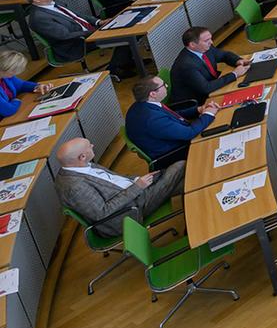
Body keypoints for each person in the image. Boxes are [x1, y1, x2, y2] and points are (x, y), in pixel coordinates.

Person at [54, 136, 186, 237]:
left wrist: (136, 180)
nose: (92, 146)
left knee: (183, 182)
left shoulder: (80, 165)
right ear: (82, 156)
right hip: (130, 211)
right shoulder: (74, 188)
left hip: (134, 191)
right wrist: (137, 187)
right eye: (89, 146)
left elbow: (114, 179)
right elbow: (102, 212)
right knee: (179, 166)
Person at [27, 0, 135, 77]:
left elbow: (77, 15)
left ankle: (126, 63)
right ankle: (115, 69)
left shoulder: (54, 2)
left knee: (129, 27)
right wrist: (95, 32)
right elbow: (65, 36)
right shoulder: (39, 18)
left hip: (88, 32)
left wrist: (99, 22)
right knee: (125, 36)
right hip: (75, 44)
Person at [125, 75, 212, 169]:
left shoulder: (142, 104)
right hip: (175, 153)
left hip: (172, 139)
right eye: (163, 85)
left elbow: (171, 115)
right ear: (153, 94)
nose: (166, 86)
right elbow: (189, 133)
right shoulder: (152, 119)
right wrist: (208, 114)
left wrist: (197, 110)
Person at [168, 26, 248, 111]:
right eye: (206, 40)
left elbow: (224, 55)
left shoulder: (204, 48)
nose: (211, 42)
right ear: (192, 45)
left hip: (212, 87)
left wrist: (238, 60)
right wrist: (234, 74)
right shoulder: (186, 65)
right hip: (198, 102)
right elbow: (206, 88)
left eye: (210, 38)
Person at [0, 52, 47, 119]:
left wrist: (37, 86)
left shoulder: (5, 76)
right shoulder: (7, 75)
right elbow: (8, 110)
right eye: (14, 71)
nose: (15, 74)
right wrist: (16, 101)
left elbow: (22, 85)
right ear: (8, 69)